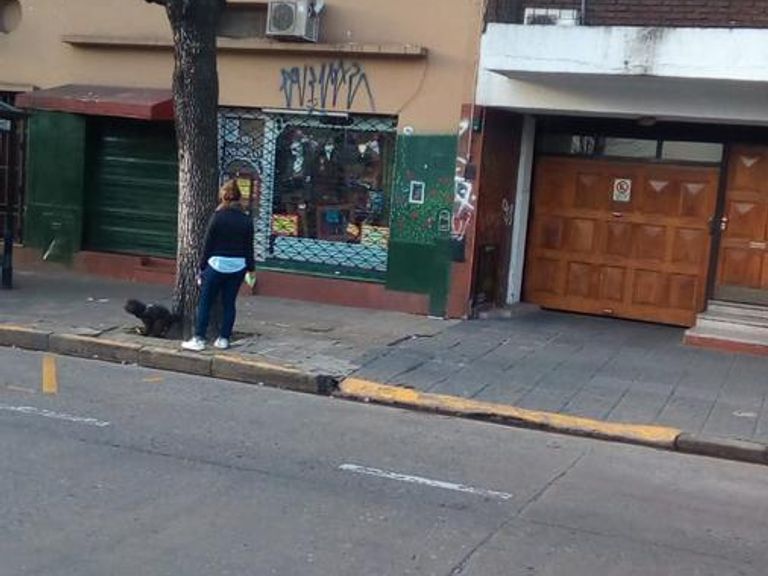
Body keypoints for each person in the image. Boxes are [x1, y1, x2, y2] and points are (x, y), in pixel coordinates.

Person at [182, 180, 255, 352]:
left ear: (223, 196)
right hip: (238, 266)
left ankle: (199, 338)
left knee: (205, 302)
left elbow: (207, 244)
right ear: (239, 198)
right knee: (229, 303)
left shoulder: (217, 217)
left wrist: (201, 267)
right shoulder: (246, 220)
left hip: (216, 264)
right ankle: (223, 339)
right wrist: (251, 269)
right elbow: (249, 247)